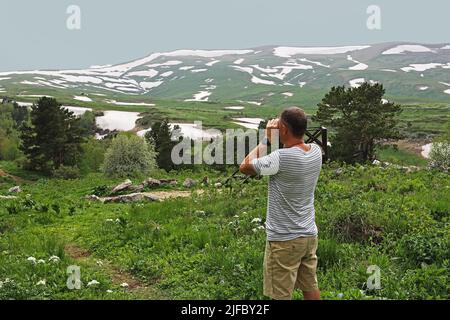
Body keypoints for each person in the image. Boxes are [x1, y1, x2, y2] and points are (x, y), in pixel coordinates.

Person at [239, 107, 323, 300]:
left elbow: (245, 166)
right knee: (310, 286)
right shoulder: (316, 152)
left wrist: (267, 140)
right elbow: (293, 151)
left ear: (283, 129)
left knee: (280, 294)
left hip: (284, 239)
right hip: (308, 234)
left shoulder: (281, 158)